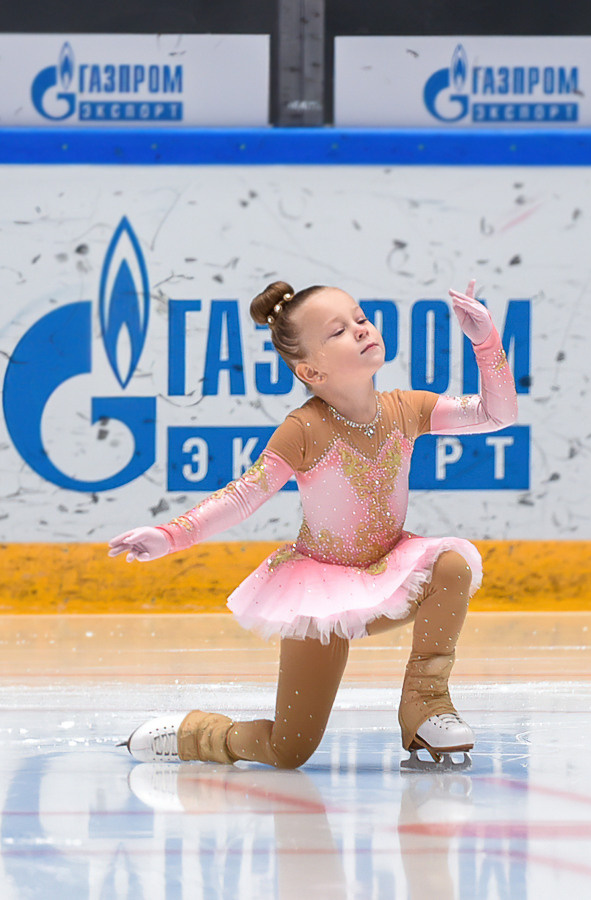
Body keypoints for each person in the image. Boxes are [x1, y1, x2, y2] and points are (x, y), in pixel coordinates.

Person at [109, 279, 517, 769]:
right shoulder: (303, 429)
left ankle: (427, 705)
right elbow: (243, 496)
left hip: (387, 570)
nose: (361, 330)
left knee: (451, 565)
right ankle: (195, 734)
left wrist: (485, 341)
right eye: (338, 331)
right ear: (311, 371)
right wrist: (170, 535)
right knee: (289, 750)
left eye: (360, 318)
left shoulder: (406, 409)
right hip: (318, 594)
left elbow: (496, 414)